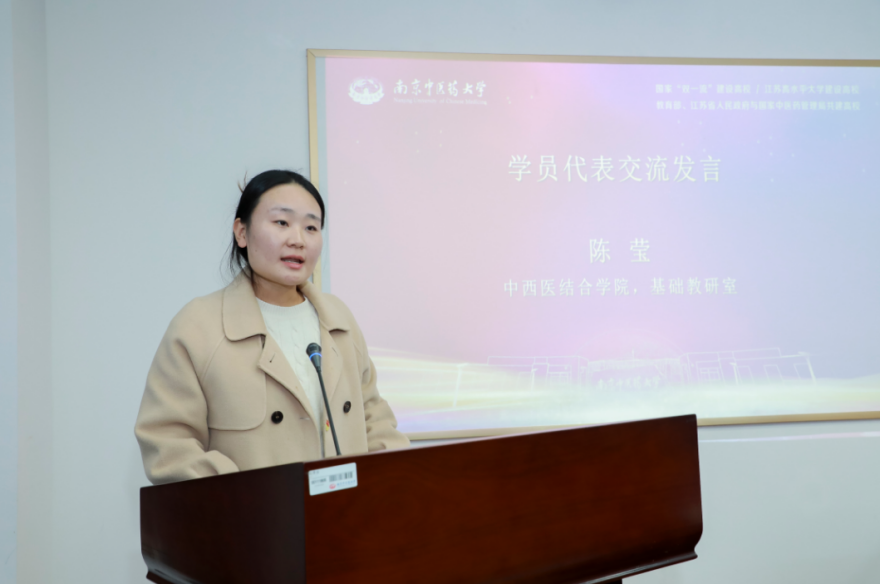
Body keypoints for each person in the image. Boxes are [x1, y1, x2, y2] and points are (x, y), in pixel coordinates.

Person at [134, 170, 409, 485]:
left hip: (346, 512)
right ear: (242, 232)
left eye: (311, 227)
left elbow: (375, 419)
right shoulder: (198, 327)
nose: (298, 239)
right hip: (250, 514)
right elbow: (169, 444)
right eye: (281, 222)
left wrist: (392, 484)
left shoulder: (339, 320)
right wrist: (248, 499)